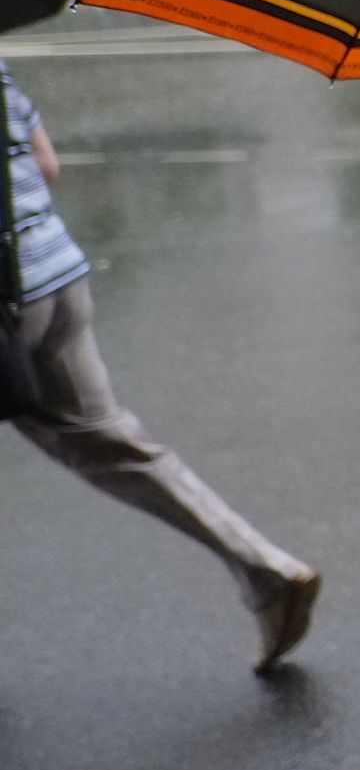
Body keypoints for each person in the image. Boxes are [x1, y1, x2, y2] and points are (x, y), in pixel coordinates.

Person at [1, 58, 320, 673]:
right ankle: (265, 569)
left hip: (6, 307)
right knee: (112, 442)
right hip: (56, 279)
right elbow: (45, 165)